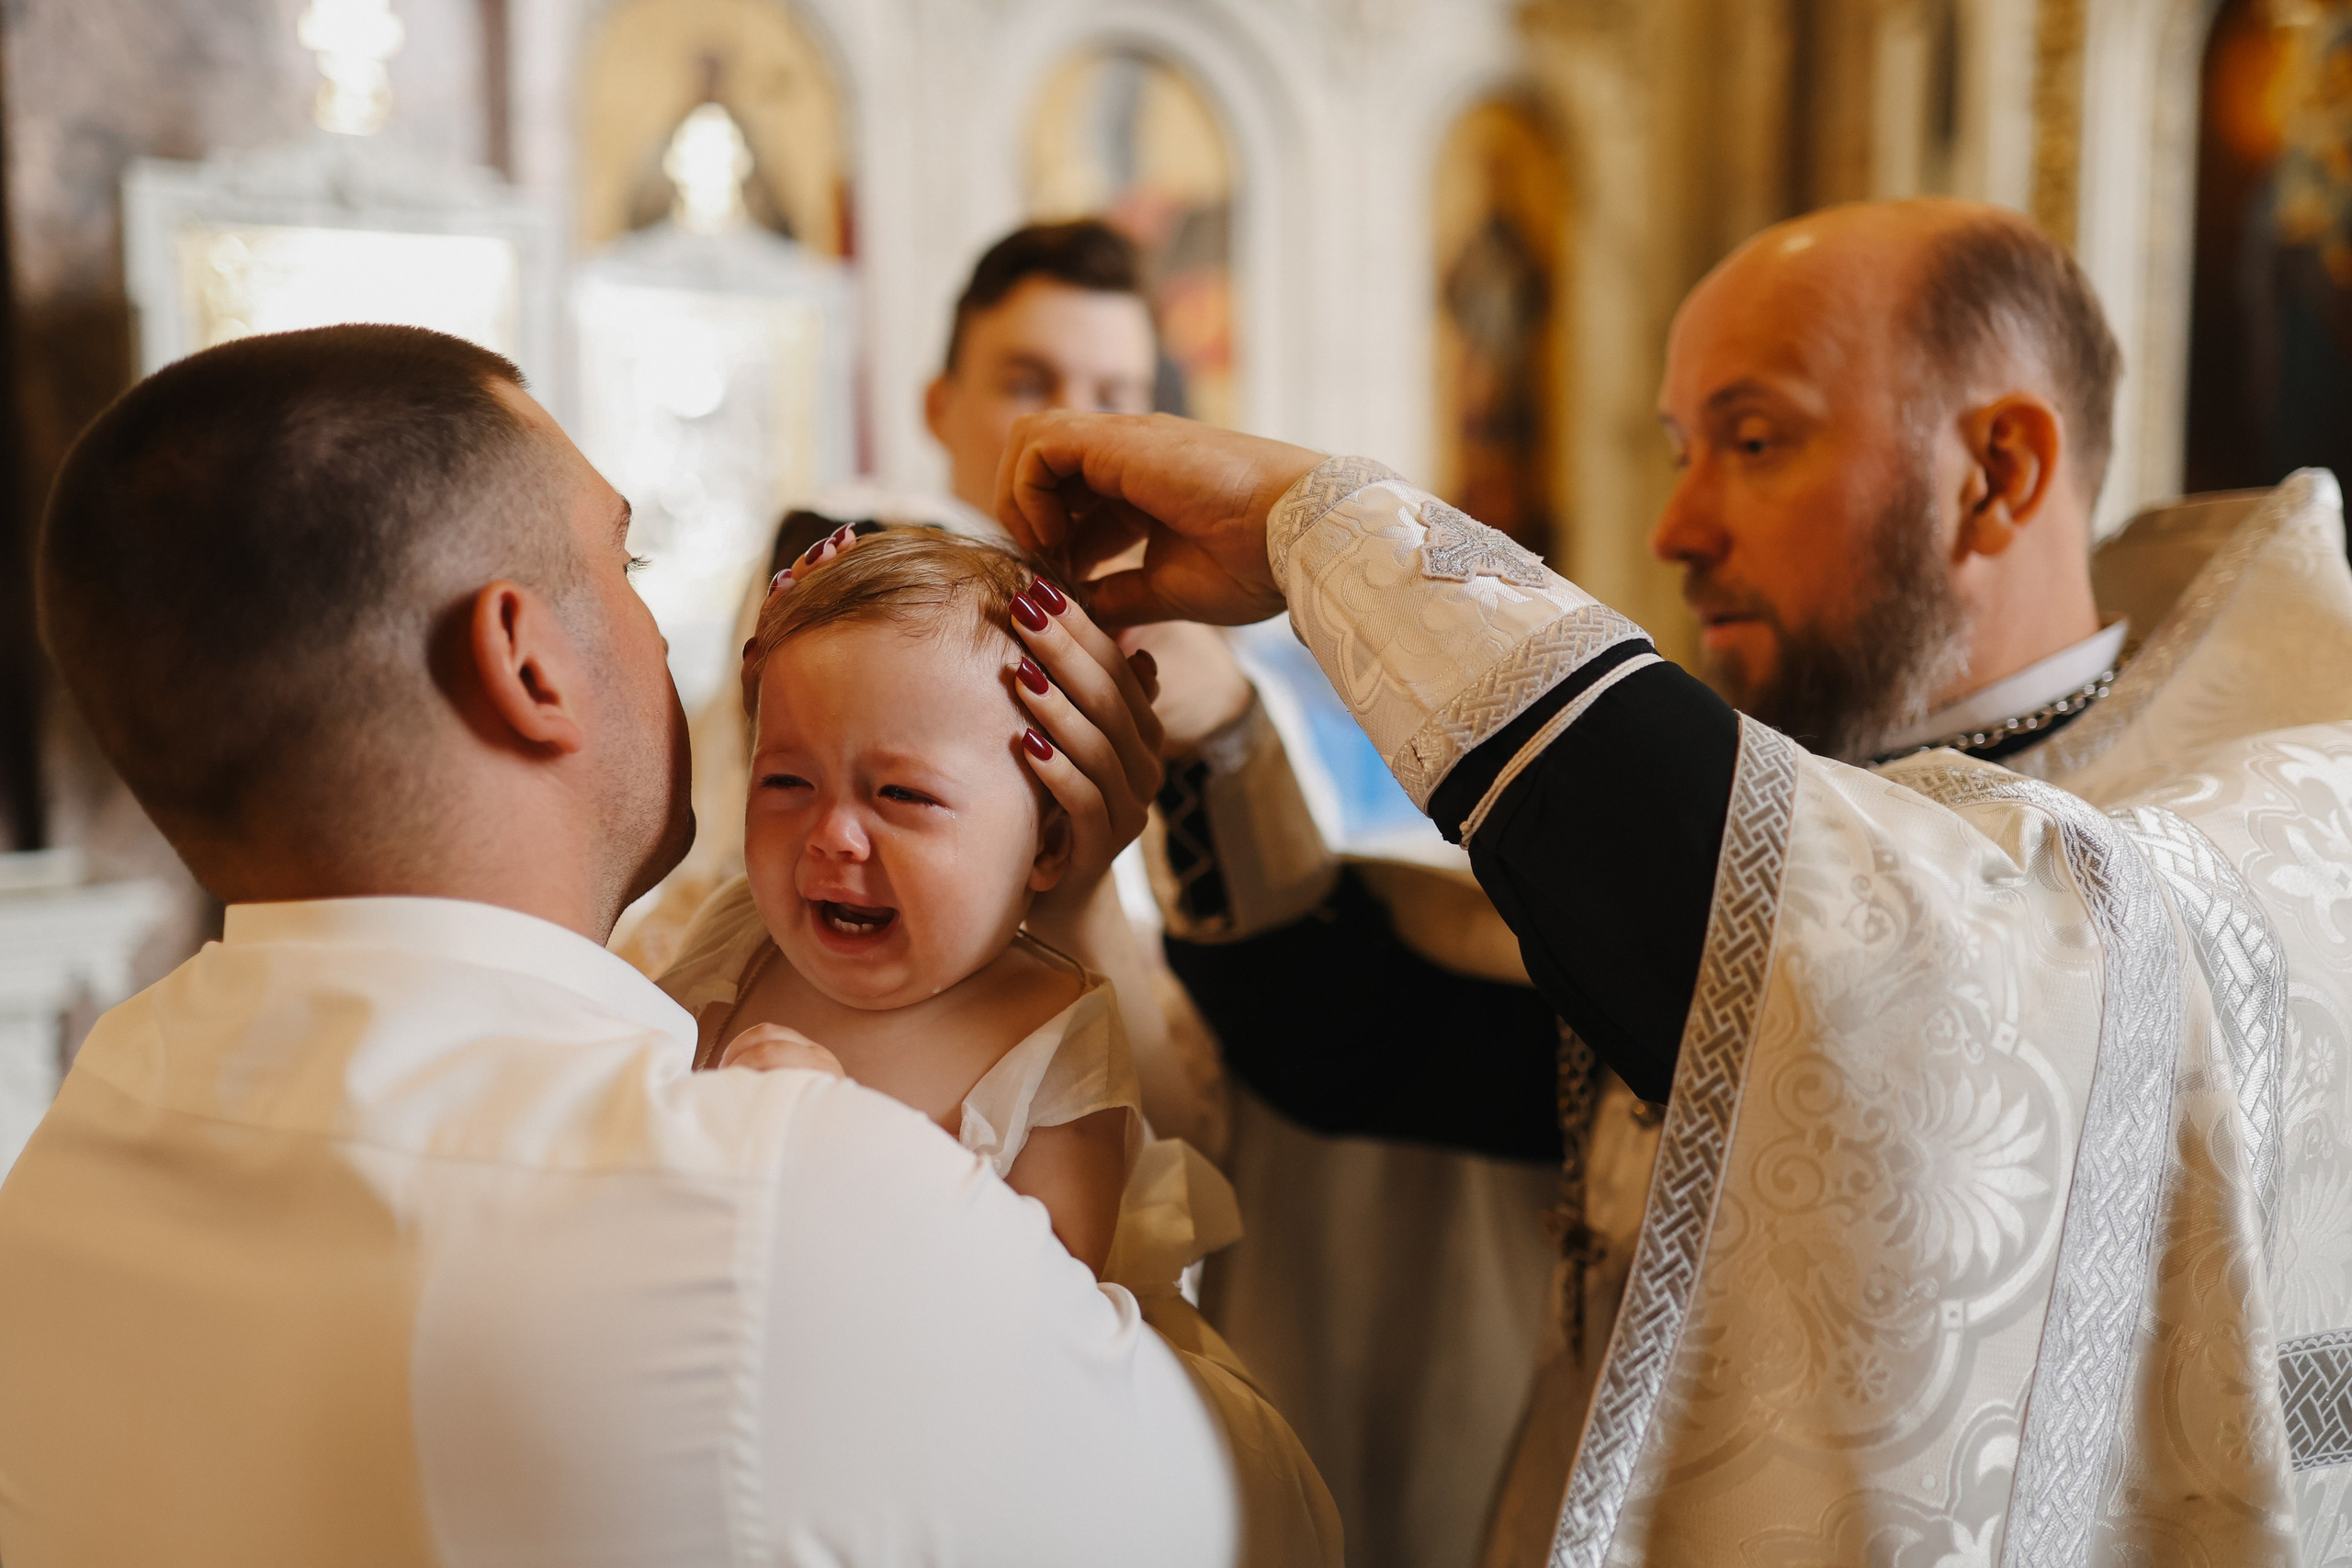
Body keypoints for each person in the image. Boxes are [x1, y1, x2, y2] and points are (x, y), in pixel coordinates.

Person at [995, 197, 2352, 1562]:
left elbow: (1878, 962)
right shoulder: (1781, 814)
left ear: (1996, 469)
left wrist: (1322, 527)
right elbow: (1368, 1037)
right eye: (1679, 449)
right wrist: (1212, 721)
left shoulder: (2246, 839)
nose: (1677, 525)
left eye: (1754, 441)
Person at [0, 323, 1339, 1566]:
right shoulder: (783, 1196)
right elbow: (1257, 1521)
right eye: (625, 565)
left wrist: (1027, 902)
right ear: (527, 662)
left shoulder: (77, 1143)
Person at [658, 525, 1243, 1308]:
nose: (832, 833)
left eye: (902, 794)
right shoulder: (740, 936)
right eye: (787, 782)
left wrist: (855, 1154)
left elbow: (1043, 1315)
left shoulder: (1052, 1035)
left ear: (1050, 837)